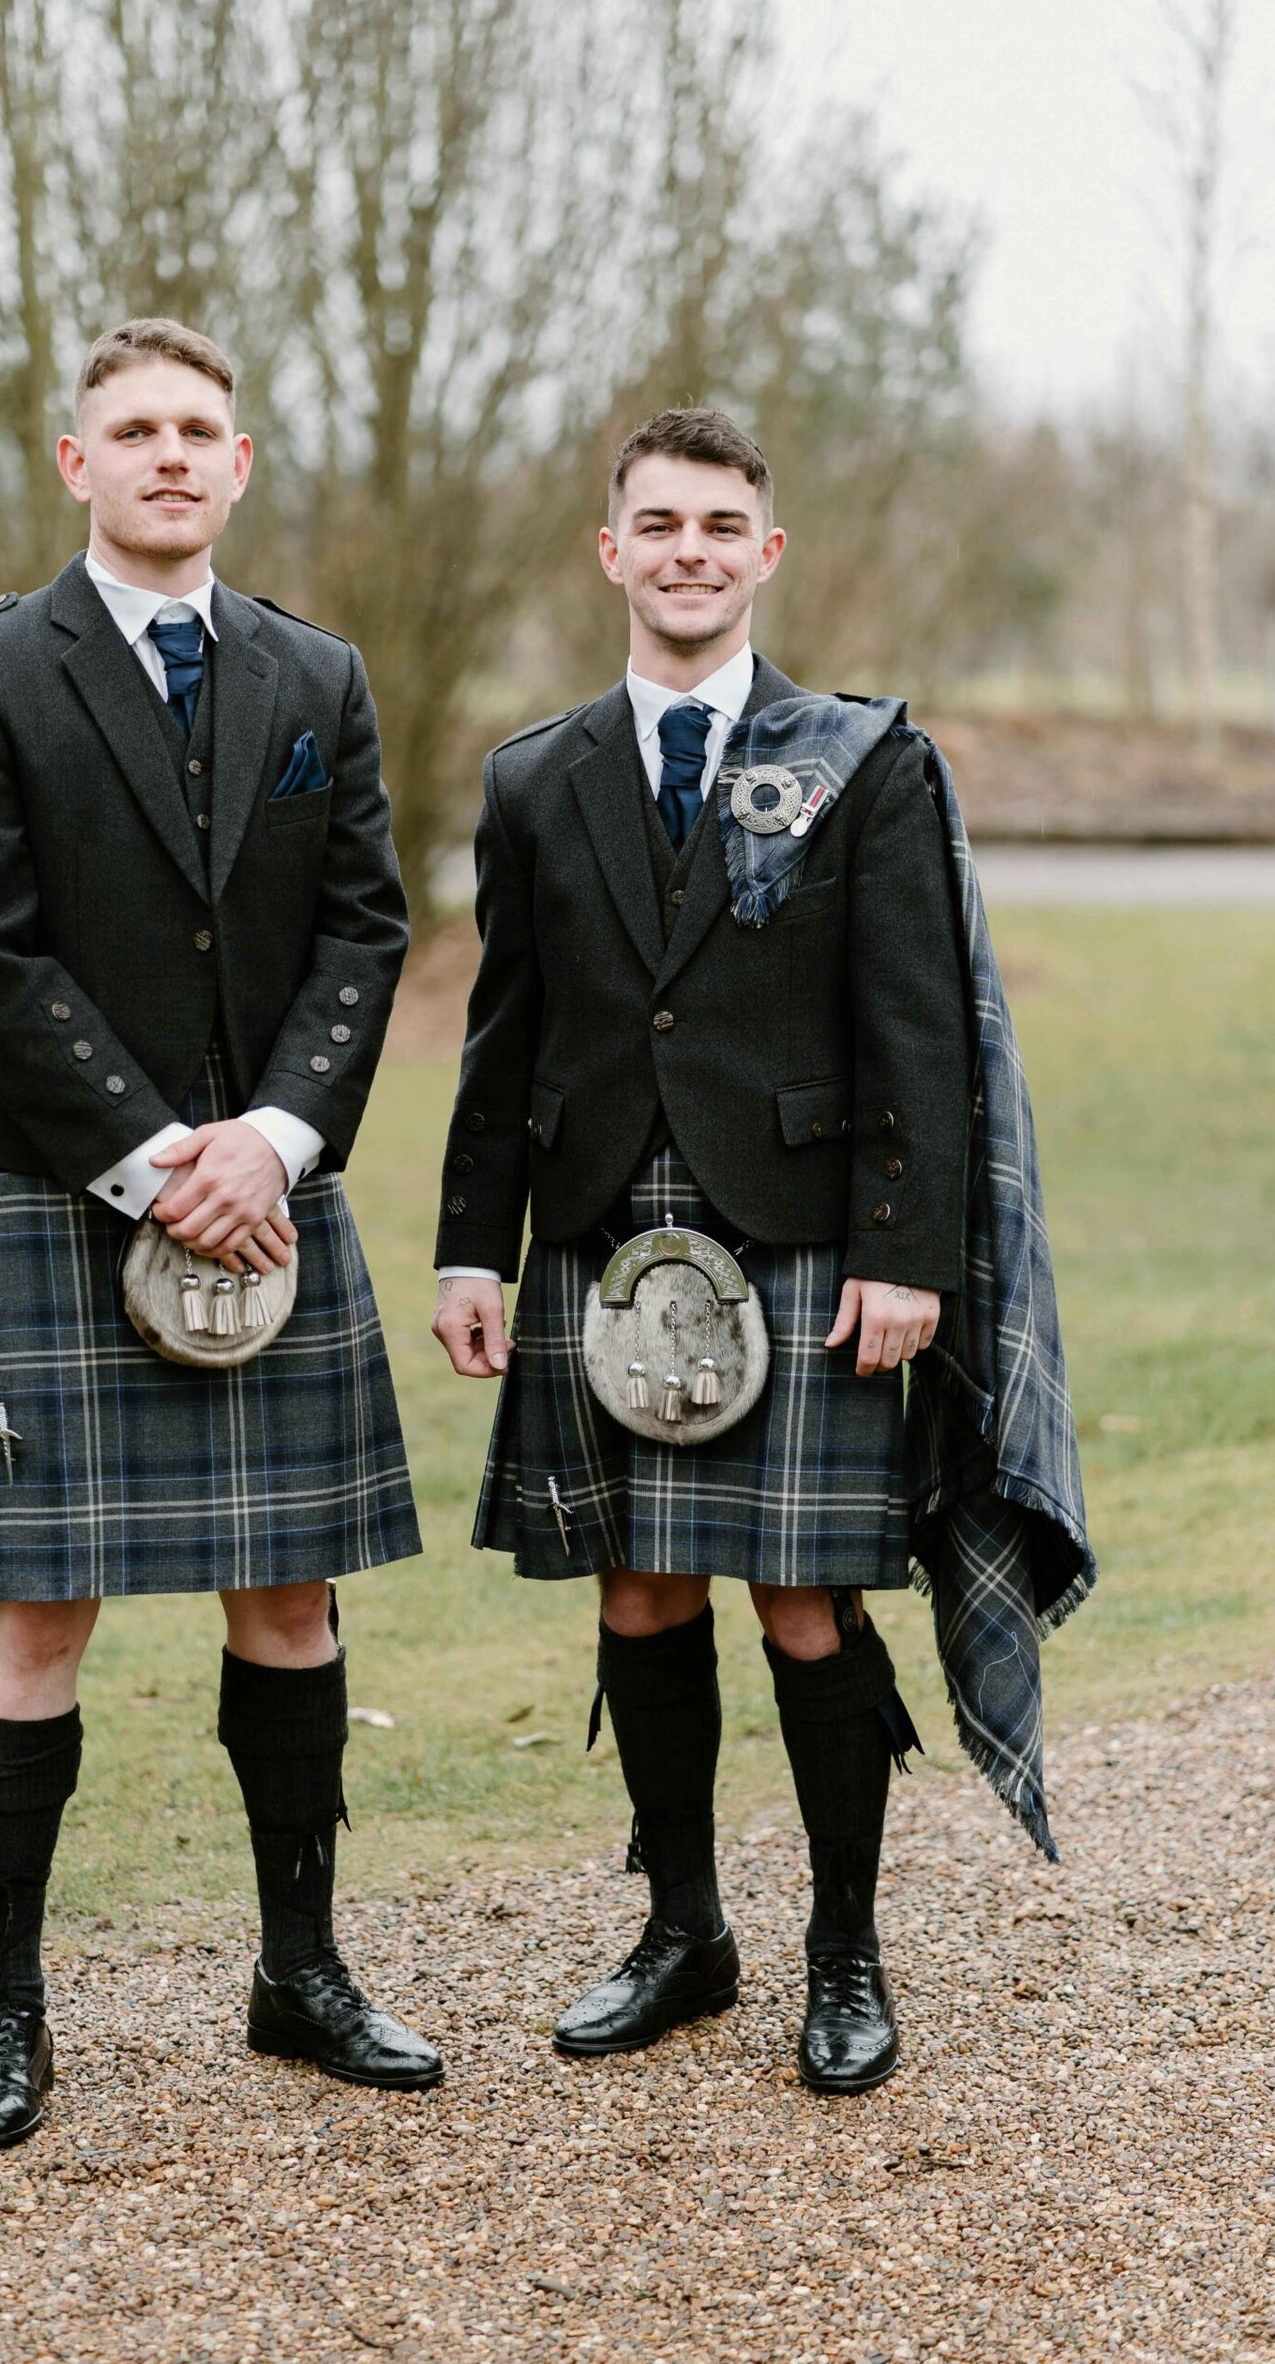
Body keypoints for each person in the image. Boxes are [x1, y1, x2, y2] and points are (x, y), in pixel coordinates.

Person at [432, 405, 1093, 2094]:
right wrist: (469, 1251)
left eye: (721, 526)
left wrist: (906, 1253)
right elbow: (500, 1039)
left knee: (804, 1599)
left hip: (804, 1236)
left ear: (766, 553)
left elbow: (917, 1034)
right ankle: (683, 1930)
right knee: (641, 1592)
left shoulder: (866, 760)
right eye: (658, 525)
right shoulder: (532, 776)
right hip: (599, 1235)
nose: (690, 553)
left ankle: (845, 1954)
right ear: (612, 551)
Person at [0, 316, 441, 2151]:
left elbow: (366, 932)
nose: (167, 455)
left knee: (287, 1598)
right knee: (35, 1616)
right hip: (66, 1200)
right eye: (131, 428)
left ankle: (302, 1975)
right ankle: (5, 2016)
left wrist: (276, 1143)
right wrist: (158, 1160)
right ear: (76, 463)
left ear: (238, 459)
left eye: (198, 428)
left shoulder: (319, 672)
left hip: (273, 1195)